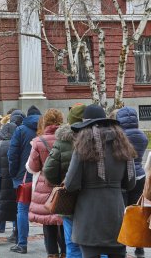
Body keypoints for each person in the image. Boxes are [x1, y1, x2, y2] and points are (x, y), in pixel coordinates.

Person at [65, 104, 137, 258]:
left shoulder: (83, 146)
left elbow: (70, 184)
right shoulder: (123, 144)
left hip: (88, 217)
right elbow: (131, 183)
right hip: (116, 216)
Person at [43, 104, 86, 258]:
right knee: (97, 245)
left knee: (72, 244)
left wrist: (59, 182)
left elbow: (48, 169)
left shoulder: (63, 140)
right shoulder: (98, 139)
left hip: (70, 198)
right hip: (96, 198)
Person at [26, 109, 65, 258]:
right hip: (63, 186)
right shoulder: (68, 138)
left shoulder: (39, 141)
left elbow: (32, 167)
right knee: (62, 221)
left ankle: (52, 254)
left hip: (45, 186)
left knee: (48, 223)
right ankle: (65, 253)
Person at [115, 106, 148, 258]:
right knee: (137, 212)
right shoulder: (142, 136)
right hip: (140, 176)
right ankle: (139, 246)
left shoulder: (119, 137)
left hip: (124, 177)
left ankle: (121, 244)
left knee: (123, 212)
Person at [8, 105, 41, 254]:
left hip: (24, 176)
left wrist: (14, 173)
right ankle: (57, 248)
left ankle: (22, 243)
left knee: (22, 209)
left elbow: (12, 155)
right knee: (53, 212)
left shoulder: (21, 130)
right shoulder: (46, 130)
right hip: (45, 177)